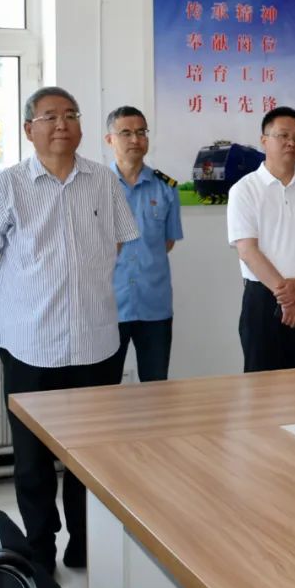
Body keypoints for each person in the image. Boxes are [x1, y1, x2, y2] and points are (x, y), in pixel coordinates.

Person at [0, 86, 139, 573]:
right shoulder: (6, 186)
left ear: (81, 126)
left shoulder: (104, 182)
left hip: (95, 342)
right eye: (49, 117)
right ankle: (39, 550)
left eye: (70, 115)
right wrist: (23, 302)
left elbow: (116, 244)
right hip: (29, 345)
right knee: (32, 461)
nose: (61, 124)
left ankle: (85, 544)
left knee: (90, 455)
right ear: (29, 129)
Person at [227, 107, 295, 372]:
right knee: (262, 385)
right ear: (264, 140)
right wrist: (287, 296)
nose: (292, 143)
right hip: (263, 299)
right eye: (283, 135)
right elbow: (248, 251)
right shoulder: (245, 190)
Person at [105, 106, 183, 382]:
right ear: (110, 139)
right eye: (126, 133)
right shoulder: (97, 187)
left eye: (141, 132)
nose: (135, 140)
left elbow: (168, 241)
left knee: (156, 386)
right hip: (108, 304)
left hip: (154, 304)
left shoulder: (166, 187)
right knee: (102, 389)